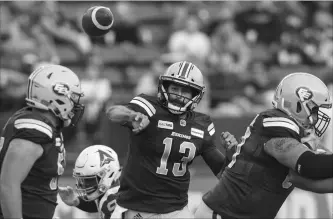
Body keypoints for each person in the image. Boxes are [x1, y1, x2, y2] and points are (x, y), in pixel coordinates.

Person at [106, 61, 238, 218]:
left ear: (196, 95)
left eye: (185, 91)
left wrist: (231, 154)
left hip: (177, 210)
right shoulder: (148, 107)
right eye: (174, 88)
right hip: (139, 208)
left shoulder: (202, 125)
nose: (178, 94)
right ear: (165, 87)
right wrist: (131, 116)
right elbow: (112, 112)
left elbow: (222, 173)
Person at [194, 72, 333, 219]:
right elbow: (309, 165)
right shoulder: (274, 123)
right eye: (316, 111)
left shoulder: (299, 136)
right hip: (223, 213)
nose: (319, 118)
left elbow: (314, 178)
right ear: (299, 106)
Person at [0, 64, 84, 219]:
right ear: (57, 96)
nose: (75, 105)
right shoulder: (34, 131)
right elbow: (7, 185)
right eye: (72, 98)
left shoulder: (47, 126)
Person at [57, 145, 122, 219]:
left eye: (89, 180)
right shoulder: (114, 192)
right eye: (82, 180)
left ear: (108, 174)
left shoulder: (115, 199)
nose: (84, 185)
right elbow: (99, 205)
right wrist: (77, 201)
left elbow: (106, 206)